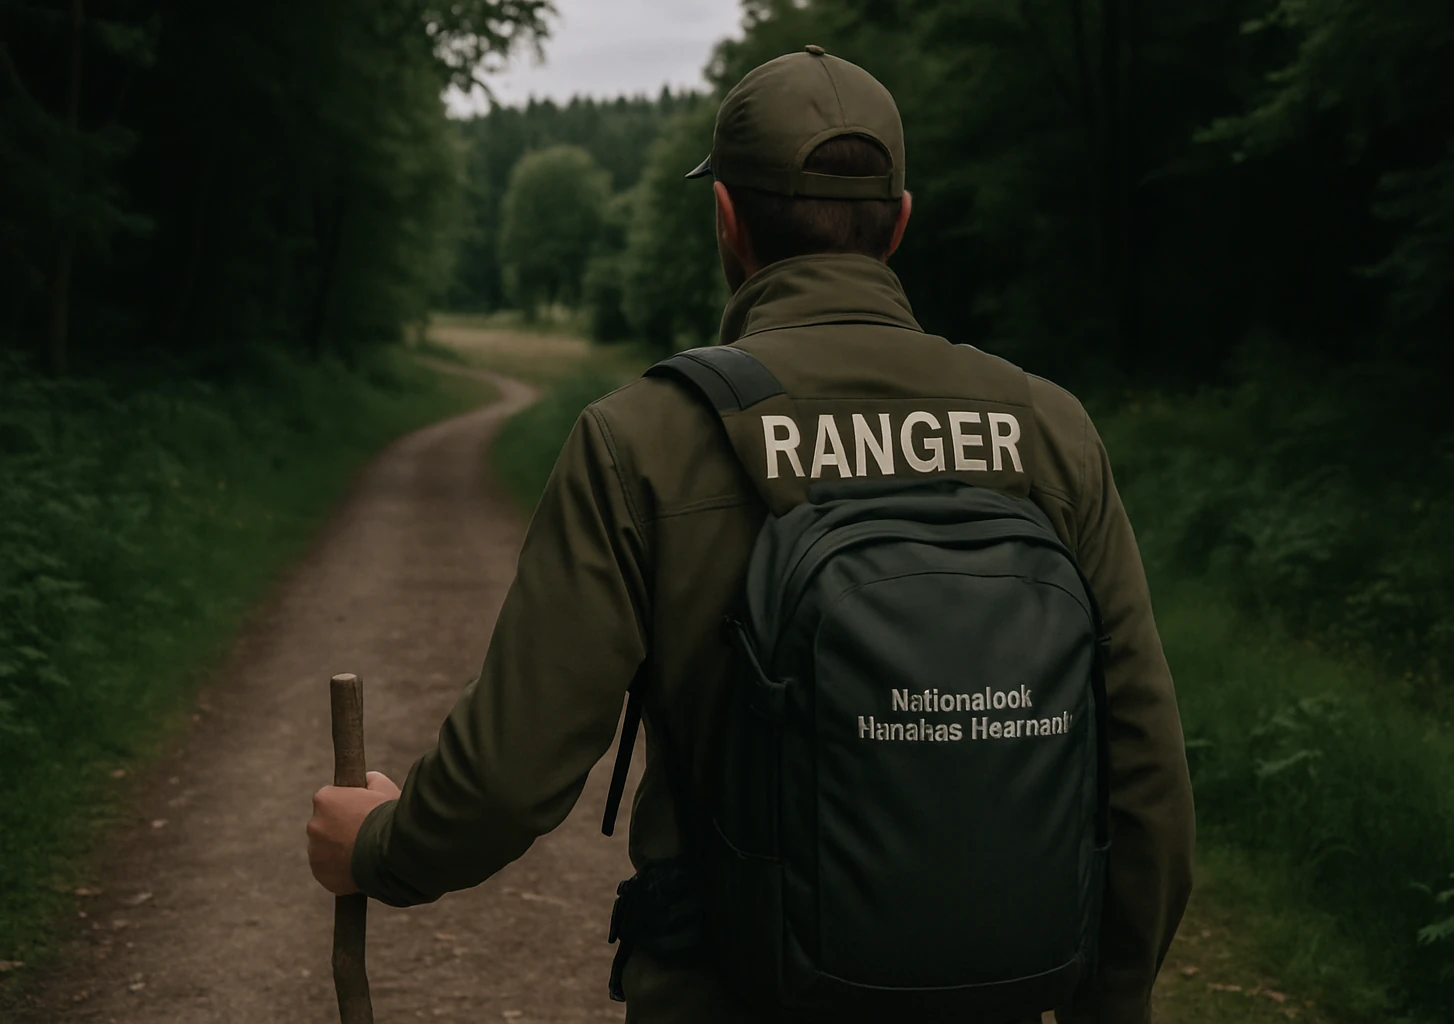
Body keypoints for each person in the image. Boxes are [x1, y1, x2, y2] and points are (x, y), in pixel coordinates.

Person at [308, 46, 1195, 1024]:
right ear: (899, 223)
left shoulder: (641, 439)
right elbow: (1147, 774)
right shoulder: (1050, 430)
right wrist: (1113, 1003)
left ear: (726, 218)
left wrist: (381, 846)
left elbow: (514, 774)